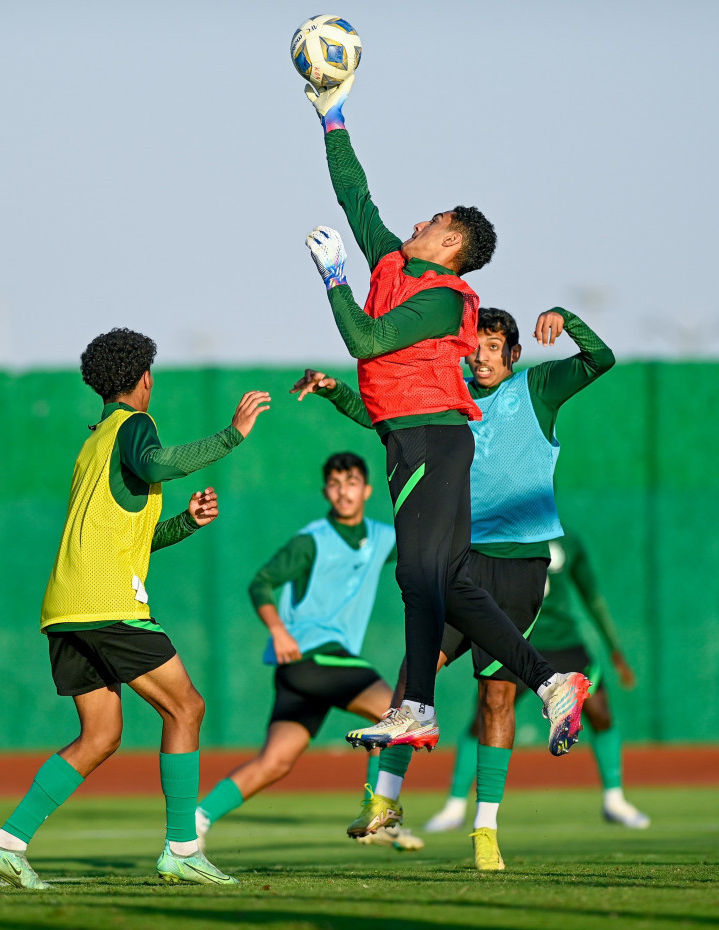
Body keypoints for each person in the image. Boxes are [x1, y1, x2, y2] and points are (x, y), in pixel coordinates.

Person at [301, 74, 587, 756]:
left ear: (451, 245)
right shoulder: (398, 264)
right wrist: (331, 117)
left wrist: (335, 280)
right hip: (416, 438)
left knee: (422, 575)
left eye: (433, 222)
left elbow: (364, 341)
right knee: (441, 578)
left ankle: (423, 707)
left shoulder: (447, 296)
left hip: (431, 437)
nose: (419, 222)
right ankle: (544, 687)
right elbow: (355, 196)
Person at [293, 304, 614, 869]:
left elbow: (601, 359)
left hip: (517, 565)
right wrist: (333, 391)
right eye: (477, 346)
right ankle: (384, 802)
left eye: (495, 347)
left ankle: (485, 831)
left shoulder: (537, 386)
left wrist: (566, 318)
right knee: (414, 673)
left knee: (496, 696)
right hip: (458, 559)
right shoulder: (447, 399)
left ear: (513, 354)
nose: (483, 357)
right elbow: (382, 416)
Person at [0, 327, 271, 889]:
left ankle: (6, 842)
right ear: (143, 379)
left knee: (101, 736)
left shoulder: (95, 442)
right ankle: (183, 847)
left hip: (65, 606)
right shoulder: (135, 425)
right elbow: (157, 464)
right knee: (186, 709)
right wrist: (231, 435)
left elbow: (123, 539)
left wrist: (185, 523)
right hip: (107, 604)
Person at [195, 452, 423, 853]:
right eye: (334, 484)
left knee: (275, 763)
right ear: (325, 491)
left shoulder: (382, 536)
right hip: (312, 656)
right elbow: (260, 584)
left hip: (309, 670)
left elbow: (422, 546)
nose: (343, 491)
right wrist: (278, 632)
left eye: (351, 482)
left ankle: (196, 820)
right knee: (395, 717)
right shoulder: (311, 540)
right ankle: (380, 812)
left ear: (367, 489)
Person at [425, 527, 651, 836]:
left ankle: (615, 800)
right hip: (516, 640)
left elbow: (592, 596)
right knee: (486, 715)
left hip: (564, 643)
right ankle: (454, 806)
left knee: (601, 713)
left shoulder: (569, 541)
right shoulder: (499, 536)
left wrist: (616, 650)